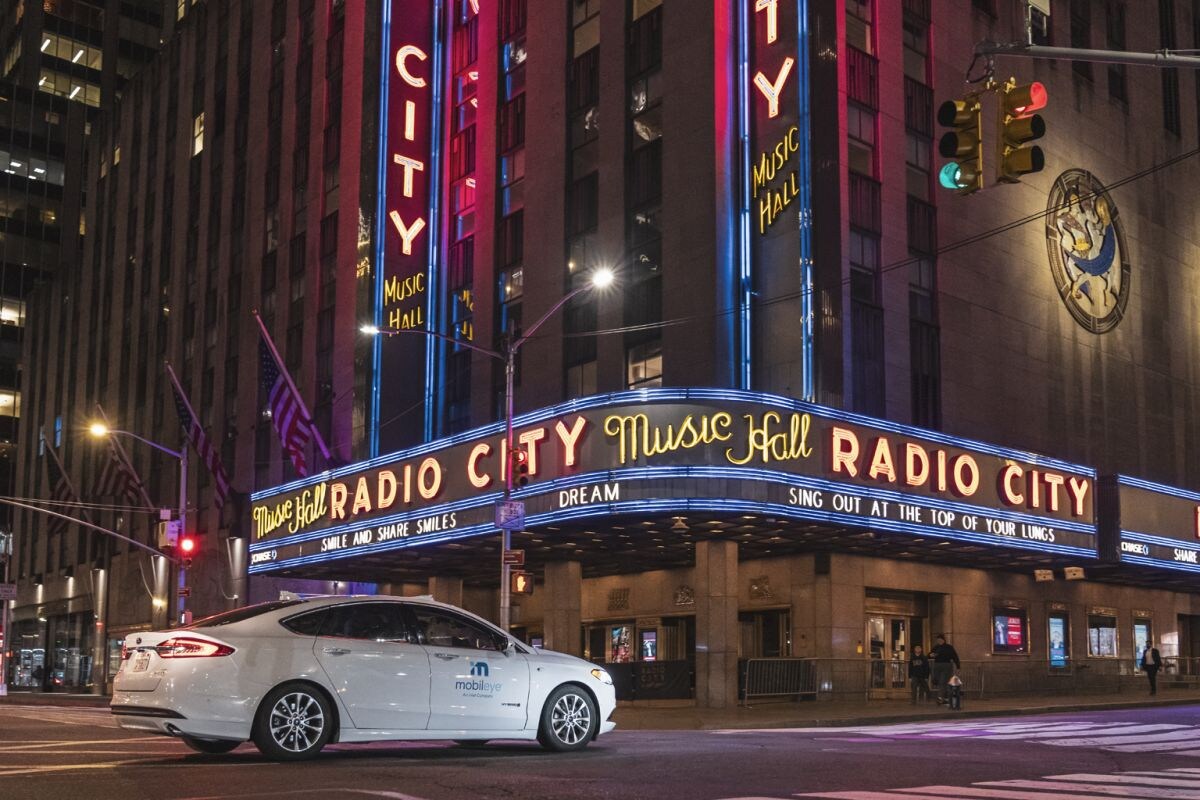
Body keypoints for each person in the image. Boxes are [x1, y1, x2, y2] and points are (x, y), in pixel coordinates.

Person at [929, 634, 961, 704]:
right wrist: (931, 655)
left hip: (946, 665)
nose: (939, 641)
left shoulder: (949, 647)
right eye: (938, 640)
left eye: (940, 639)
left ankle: (940, 697)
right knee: (938, 680)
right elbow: (929, 654)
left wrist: (958, 666)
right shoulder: (936, 647)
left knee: (942, 681)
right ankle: (946, 697)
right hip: (937, 665)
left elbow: (955, 656)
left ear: (943, 640)